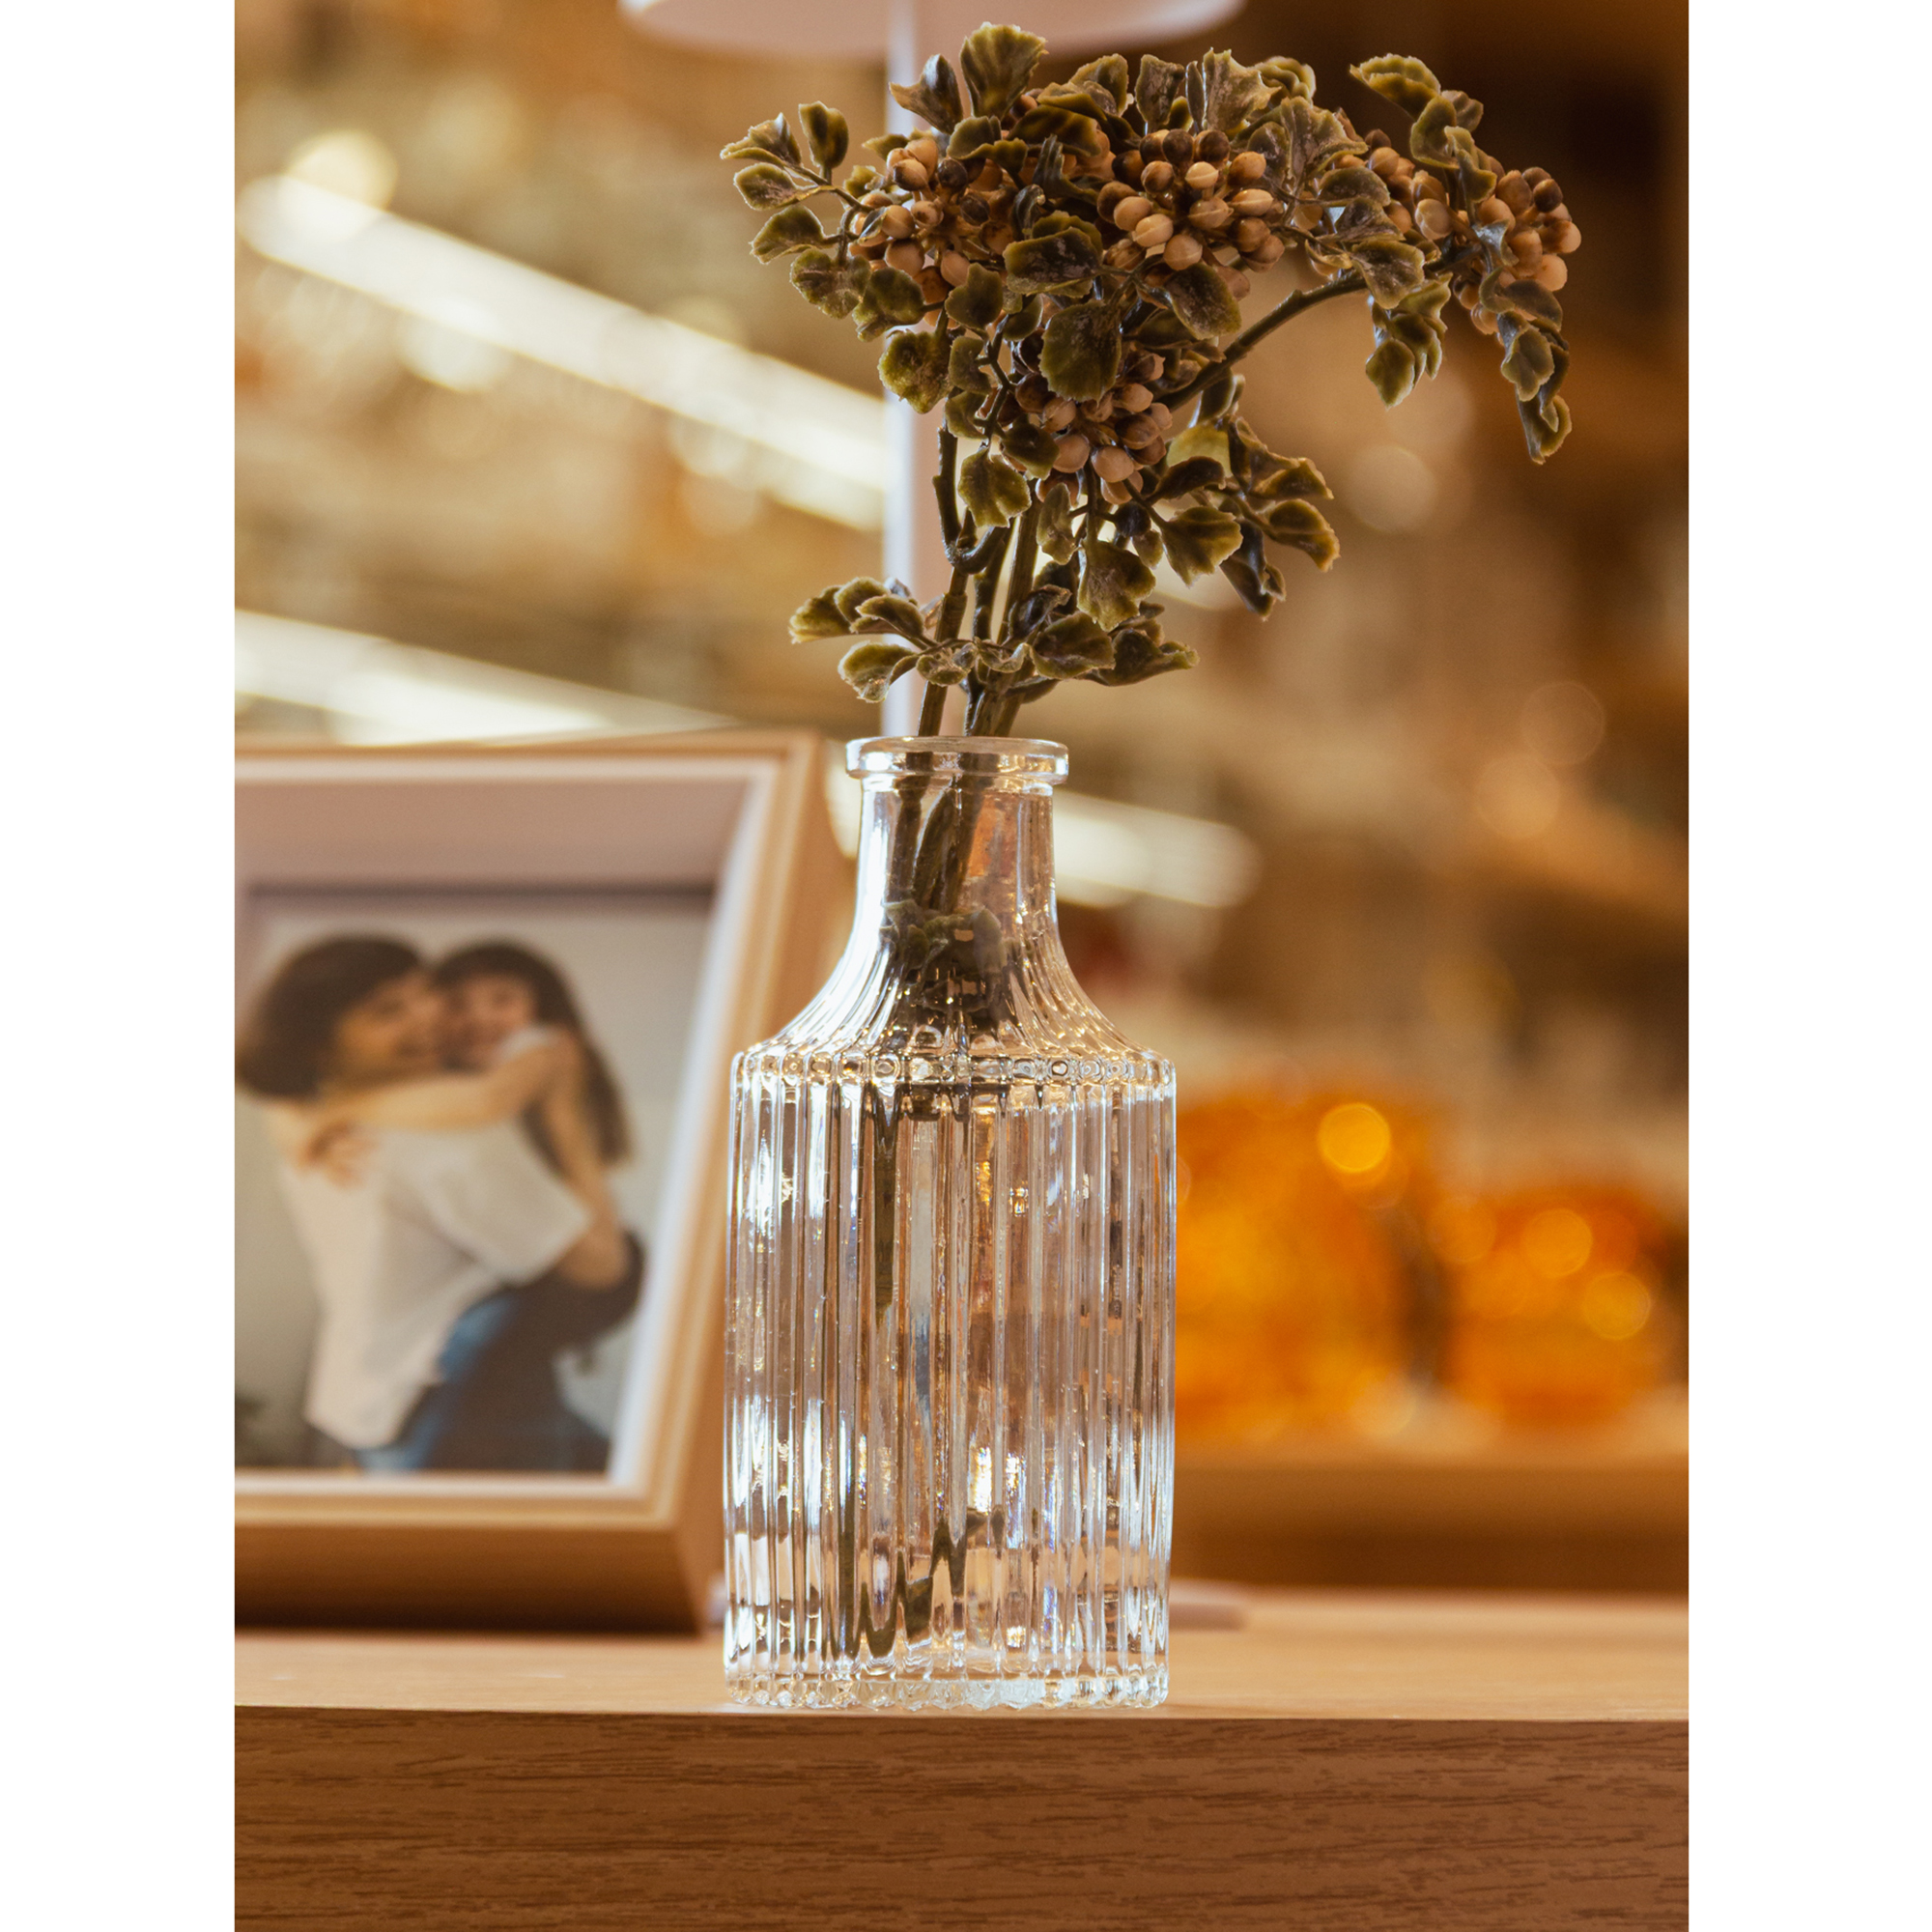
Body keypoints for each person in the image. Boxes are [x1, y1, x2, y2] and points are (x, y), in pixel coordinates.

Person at [236, 936, 641, 1473]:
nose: (428, 1018)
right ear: (320, 1047)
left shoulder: (318, 1124)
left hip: (368, 1396)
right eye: (388, 1011)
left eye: (425, 994)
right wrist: (565, 1113)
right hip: (460, 1397)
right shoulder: (450, 1137)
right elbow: (599, 1266)